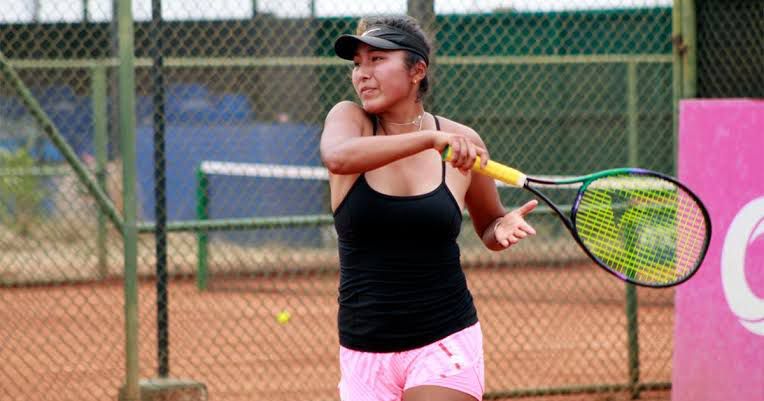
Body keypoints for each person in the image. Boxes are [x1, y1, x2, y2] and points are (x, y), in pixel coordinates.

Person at [320, 15, 538, 401]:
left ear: (417, 70)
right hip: (364, 349)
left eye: (376, 60)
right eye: (357, 63)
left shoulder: (464, 140)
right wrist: (429, 140)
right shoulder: (349, 119)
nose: (362, 74)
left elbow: (489, 225)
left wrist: (501, 228)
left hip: (445, 339)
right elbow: (337, 157)